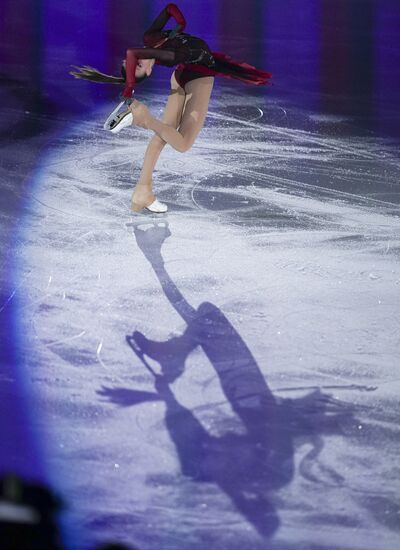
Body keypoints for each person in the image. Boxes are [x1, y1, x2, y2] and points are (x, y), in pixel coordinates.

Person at [71, 4, 272, 213]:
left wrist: (181, 21)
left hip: (181, 76)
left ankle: (143, 191)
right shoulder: (167, 55)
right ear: (149, 71)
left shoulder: (150, 37)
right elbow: (132, 52)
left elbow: (169, 8)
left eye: (133, 64)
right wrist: (129, 89)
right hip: (198, 78)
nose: (138, 60)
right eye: (138, 66)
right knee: (183, 143)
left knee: (162, 136)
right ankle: (140, 116)